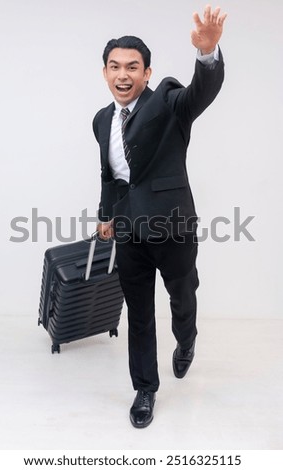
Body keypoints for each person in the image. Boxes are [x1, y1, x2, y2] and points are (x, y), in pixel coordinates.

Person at [93, 5, 227, 428]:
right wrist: (106, 215)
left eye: (133, 67)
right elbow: (112, 176)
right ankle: (145, 388)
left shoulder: (168, 102)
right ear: (105, 73)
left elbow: (198, 93)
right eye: (115, 66)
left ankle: (186, 343)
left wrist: (208, 55)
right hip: (129, 229)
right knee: (140, 312)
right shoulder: (100, 121)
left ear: (147, 73)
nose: (123, 74)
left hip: (173, 226)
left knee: (182, 296)